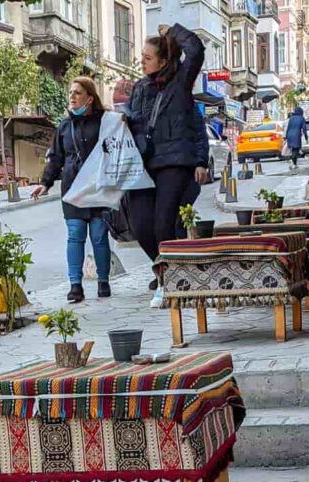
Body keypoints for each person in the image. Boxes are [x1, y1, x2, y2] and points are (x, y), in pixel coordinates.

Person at [125, 23, 205, 305]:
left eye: (148, 58)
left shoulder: (181, 81)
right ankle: (167, 270)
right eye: (142, 58)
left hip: (174, 161)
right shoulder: (139, 87)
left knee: (164, 223)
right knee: (141, 225)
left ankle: (169, 282)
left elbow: (195, 49)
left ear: (163, 60)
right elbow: (135, 122)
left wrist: (173, 30)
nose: (142, 63)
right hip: (144, 164)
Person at [32, 77, 111, 304]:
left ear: (90, 97)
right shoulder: (65, 126)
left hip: (97, 187)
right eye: (71, 93)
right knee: (75, 235)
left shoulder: (105, 121)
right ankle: (75, 286)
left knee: (98, 237)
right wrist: (45, 182)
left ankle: (103, 281)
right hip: (73, 188)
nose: (73, 97)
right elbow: (56, 157)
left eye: (78, 93)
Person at [175, 108, 211, 239]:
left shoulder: (188, 105)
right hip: (160, 170)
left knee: (180, 217)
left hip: (186, 170)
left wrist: (201, 164)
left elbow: (200, 135)